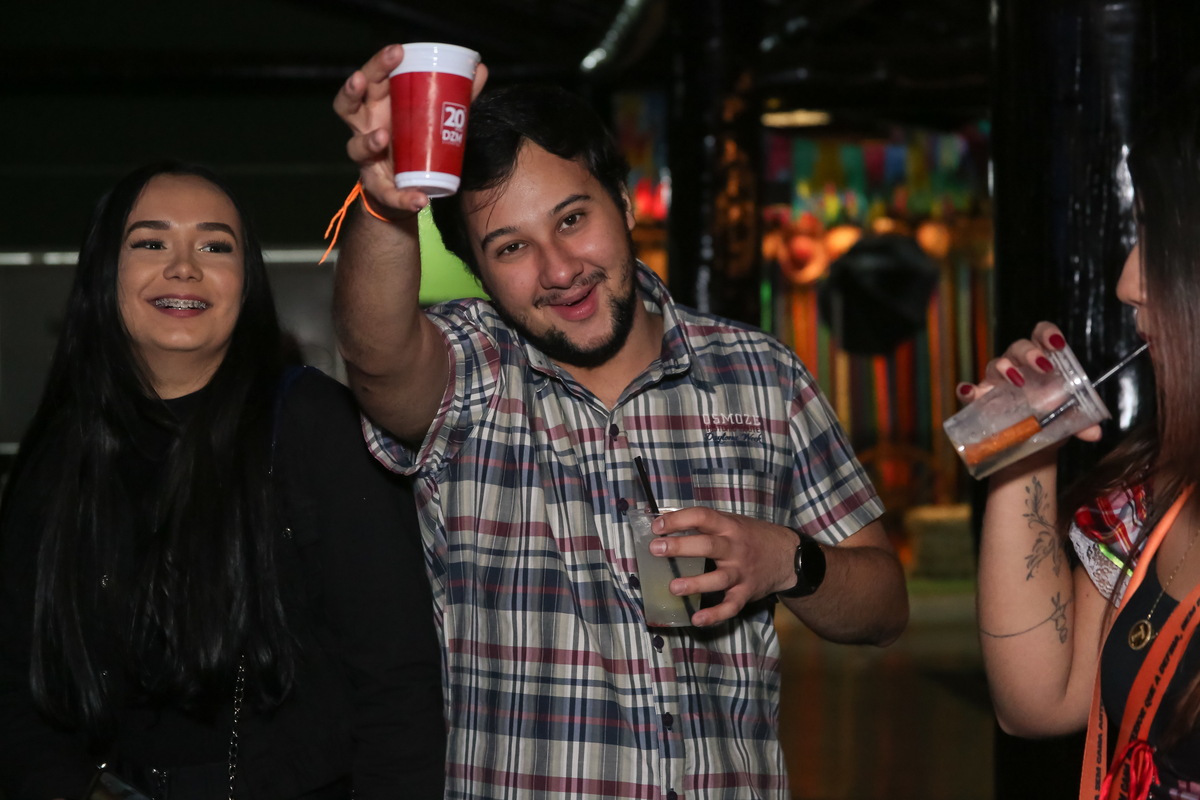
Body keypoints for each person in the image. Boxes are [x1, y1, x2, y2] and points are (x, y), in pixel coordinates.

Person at [330, 45, 908, 799]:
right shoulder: (475, 372)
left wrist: (787, 560)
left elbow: (884, 606)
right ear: (478, 274)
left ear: (625, 204)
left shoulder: (760, 375)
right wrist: (384, 203)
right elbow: (377, 360)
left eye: (573, 219)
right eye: (511, 247)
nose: (559, 269)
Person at [0, 162, 445, 800]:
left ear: (247, 280)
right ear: (104, 272)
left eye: (215, 246)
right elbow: (19, 682)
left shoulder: (309, 423)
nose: (184, 267)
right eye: (151, 243)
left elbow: (398, 682)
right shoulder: (62, 451)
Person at [971, 97, 1200, 796]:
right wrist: (1024, 455)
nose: (1129, 282)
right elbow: (1036, 703)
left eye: (1160, 238)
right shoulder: (1158, 490)